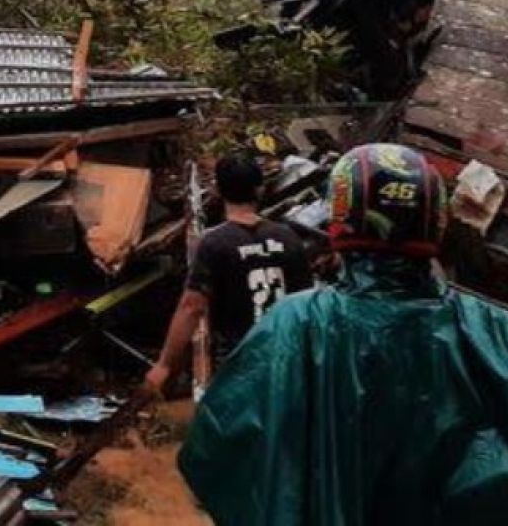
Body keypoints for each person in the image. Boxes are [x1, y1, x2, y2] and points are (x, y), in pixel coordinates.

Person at [179, 143, 508, 524]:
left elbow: (218, 449)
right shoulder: (490, 328)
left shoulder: (297, 322)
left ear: (341, 214)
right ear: (435, 217)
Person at [144, 153, 312, 396]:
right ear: (260, 189)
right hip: (287, 359)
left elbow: (192, 307)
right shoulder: (288, 237)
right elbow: (307, 303)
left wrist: (165, 365)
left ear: (218, 190)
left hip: (239, 363)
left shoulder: (214, 243)